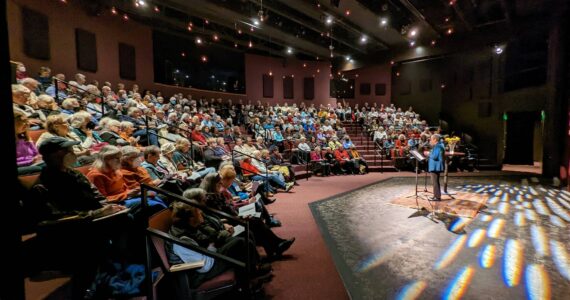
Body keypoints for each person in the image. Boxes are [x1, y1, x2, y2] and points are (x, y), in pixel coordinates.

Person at [428, 134, 445, 200]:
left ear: (435, 139)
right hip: (435, 166)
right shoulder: (439, 146)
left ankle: (437, 197)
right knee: (435, 181)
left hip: (435, 166)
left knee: (435, 182)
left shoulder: (438, 146)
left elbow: (434, 156)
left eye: (431, 139)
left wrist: (428, 154)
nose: (430, 140)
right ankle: (436, 195)